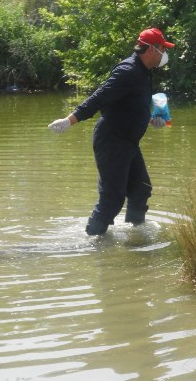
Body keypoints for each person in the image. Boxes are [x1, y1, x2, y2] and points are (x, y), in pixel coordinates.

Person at [48, 27, 175, 236]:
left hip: (128, 140)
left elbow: (129, 105)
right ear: (152, 49)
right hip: (113, 141)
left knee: (141, 188)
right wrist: (69, 120)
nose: (165, 55)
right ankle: (93, 240)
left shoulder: (143, 72)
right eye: (163, 49)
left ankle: (136, 232)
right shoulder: (128, 71)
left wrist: (151, 119)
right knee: (112, 198)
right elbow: (100, 97)